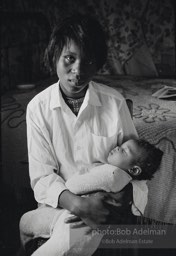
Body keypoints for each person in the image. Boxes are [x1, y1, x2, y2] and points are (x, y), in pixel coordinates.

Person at [19, 13, 148, 255]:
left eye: (88, 62)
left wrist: (126, 196)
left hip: (104, 207)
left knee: (77, 235)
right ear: (54, 55)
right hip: (60, 205)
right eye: (69, 58)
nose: (77, 71)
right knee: (47, 226)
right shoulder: (38, 108)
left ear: (98, 64)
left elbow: (136, 165)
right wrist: (78, 204)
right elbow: (42, 177)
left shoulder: (114, 103)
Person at [30, 138, 163, 256]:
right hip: (78, 221)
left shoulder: (111, 174)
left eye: (123, 150)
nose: (117, 147)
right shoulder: (124, 179)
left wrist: (84, 174)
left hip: (79, 228)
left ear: (134, 170)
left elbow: (72, 186)